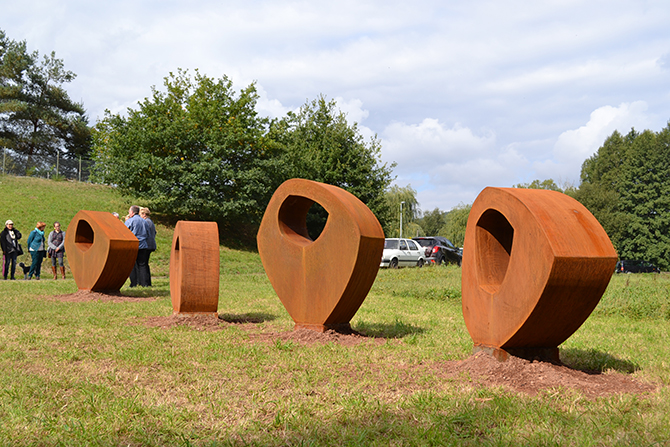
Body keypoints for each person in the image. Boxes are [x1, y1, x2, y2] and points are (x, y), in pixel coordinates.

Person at [124, 205, 150, 287]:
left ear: (132, 212)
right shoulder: (144, 221)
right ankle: (144, 284)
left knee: (132, 265)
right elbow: (148, 233)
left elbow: (124, 233)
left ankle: (133, 283)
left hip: (133, 245)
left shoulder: (130, 221)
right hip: (143, 245)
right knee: (142, 265)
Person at [140, 207, 156, 287]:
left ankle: (145, 282)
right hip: (151, 244)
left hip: (147, 245)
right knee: (146, 264)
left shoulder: (146, 222)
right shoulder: (151, 222)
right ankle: (148, 282)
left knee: (144, 264)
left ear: (144, 214)